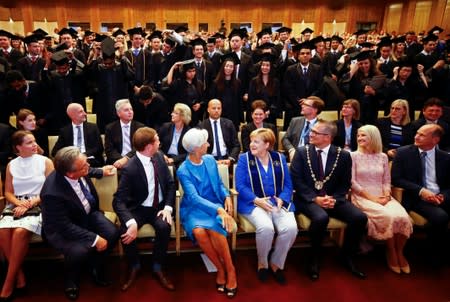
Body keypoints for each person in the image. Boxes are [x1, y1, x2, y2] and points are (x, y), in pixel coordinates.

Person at [290, 120, 368, 281]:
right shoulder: (301, 152)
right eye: (311, 131)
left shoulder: (343, 155)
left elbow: (345, 182)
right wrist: (314, 198)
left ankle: (347, 256)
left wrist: (335, 198)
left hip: (333, 198)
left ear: (327, 137)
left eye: (315, 132)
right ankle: (314, 257)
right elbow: (296, 180)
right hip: (307, 199)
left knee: (359, 218)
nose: (310, 134)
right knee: (321, 218)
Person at [40, 146, 119, 300]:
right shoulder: (51, 192)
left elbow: (88, 170)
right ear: (70, 173)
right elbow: (64, 226)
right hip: (62, 227)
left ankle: (95, 266)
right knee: (79, 251)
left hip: (88, 214)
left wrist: (101, 171)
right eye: (84, 166)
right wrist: (95, 239)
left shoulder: (76, 168)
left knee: (113, 233)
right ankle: (71, 280)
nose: (88, 167)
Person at [113, 127, 176, 292]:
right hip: (138, 208)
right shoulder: (130, 168)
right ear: (149, 146)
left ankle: (157, 266)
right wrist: (131, 221)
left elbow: (170, 185)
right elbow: (118, 201)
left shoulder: (159, 157)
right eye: (157, 140)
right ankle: (134, 265)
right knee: (125, 230)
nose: (159, 142)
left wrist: (168, 208)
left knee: (164, 226)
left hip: (159, 207)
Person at [177, 128, 237, 297]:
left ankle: (230, 270)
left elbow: (218, 184)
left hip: (214, 202)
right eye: (205, 142)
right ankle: (220, 269)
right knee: (198, 231)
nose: (208, 144)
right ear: (196, 149)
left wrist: (226, 196)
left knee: (215, 230)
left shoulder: (210, 160)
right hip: (194, 208)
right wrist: (218, 209)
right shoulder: (183, 170)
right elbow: (194, 198)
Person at [235, 128, 297, 284]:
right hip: (253, 203)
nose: (251, 144)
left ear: (267, 144)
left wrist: (282, 199)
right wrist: (257, 200)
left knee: (290, 229)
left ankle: (276, 262)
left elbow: (288, 184)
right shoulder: (244, 159)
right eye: (251, 141)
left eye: (256, 141)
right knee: (266, 228)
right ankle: (262, 262)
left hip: (277, 202)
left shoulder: (279, 158)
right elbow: (240, 186)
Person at [350, 125, 413, 274]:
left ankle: (400, 252)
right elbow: (352, 182)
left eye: (363, 135)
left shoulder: (383, 156)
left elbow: (386, 180)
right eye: (358, 135)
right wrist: (373, 198)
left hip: (383, 195)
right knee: (389, 217)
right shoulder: (353, 156)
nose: (359, 138)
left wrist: (386, 195)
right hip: (362, 196)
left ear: (374, 137)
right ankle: (390, 251)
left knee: (403, 217)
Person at [0, 131, 53, 300]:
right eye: (29, 142)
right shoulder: (11, 165)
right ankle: (19, 276)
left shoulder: (46, 161)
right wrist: (18, 203)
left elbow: (50, 190)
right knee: (2, 231)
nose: (34, 145)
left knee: (20, 232)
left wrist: (30, 204)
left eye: (34, 141)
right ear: (18, 147)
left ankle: (8, 282)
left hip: (39, 204)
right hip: (16, 204)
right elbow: (8, 192)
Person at [392, 124, 450, 266]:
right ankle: (435, 255)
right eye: (417, 133)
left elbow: (449, 185)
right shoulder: (403, 153)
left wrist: (443, 196)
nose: (416, 136)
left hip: (439, 196)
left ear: (435, 140)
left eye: (422, 135)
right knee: (441, 217)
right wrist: (421, 191)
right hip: (416, 197)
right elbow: (396, 179)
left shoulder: (445, 157)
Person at [339, 50, 387, 125]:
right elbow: (343, 87)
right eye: (361, 64)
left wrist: (374, 92)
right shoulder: (354, 76)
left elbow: (385, 93)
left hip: (372, 111)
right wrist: (352, 71)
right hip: (356, 110)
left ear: (371, 63)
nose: (364, 66)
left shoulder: (378, 76)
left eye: (366, 63)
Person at [51, 103, 104, 167]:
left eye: (84, 111)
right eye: (81, 112)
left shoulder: (93, 128)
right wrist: (71, 156)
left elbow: (99, 148)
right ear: (72, 115)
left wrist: (82, 156)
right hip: (71, 162)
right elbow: (55, 152)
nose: (85, 114)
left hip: (90, 160)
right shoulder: (65, 131)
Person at [199, 99, 241, 166]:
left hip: (227, 158)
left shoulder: (228, 124)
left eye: (219, 108)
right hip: (209, 160)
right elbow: (199, 148)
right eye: (214, 108)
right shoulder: (202, 126)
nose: (216, 110)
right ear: (208, 110)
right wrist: (210, 161)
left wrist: (230, 159)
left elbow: (236, 145)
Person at [208, 52, 244, 130]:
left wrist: (240, 118)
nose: (229, 68)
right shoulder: (215, 83)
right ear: (223, 67)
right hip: (220, 115)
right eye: (227, 66)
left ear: (234, 68)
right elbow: (212, 100)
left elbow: (239, 101)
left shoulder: (237, 83)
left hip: (233, 116)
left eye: (231, 66)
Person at [104, 99, 144, 168]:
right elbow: (109, 149)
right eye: (126, 110)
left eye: (131, 109)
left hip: (135, 160)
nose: (130, 112)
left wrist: (126, 159)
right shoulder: (110, 128)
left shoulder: (140, 127)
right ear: (118, 113)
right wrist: (120, 160)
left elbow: (139, 147)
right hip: (116, 161)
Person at [282, 96, 325, 161]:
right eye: (303, 104)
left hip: (312, 157)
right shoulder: (295, 121)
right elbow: (285, 138)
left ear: (315, 110)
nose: (302, 106)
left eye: (306, 105)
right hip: (294, 155)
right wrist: (291, 150)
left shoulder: (322, 125)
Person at [248, 53, 281, 124]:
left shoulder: (275, 82)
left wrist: (269, 112)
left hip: (270, 116)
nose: (265, 67)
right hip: (257, 116)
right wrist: (259, 113)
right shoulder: (254, 81)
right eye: (263, 65)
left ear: (271, 67)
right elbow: (251, 99)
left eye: (267, 65)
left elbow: (277, 100)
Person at [158, 103, 191, 168]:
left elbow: (190, 152)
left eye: (176, 113)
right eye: (173, 112)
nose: (171, 114)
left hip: (180, 159)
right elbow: (157, 143)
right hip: (165, 156)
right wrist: (162, 155)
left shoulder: (189, 132)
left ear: (183, 116)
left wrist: (174, 159)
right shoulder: (166, 127)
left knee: (181, 168)